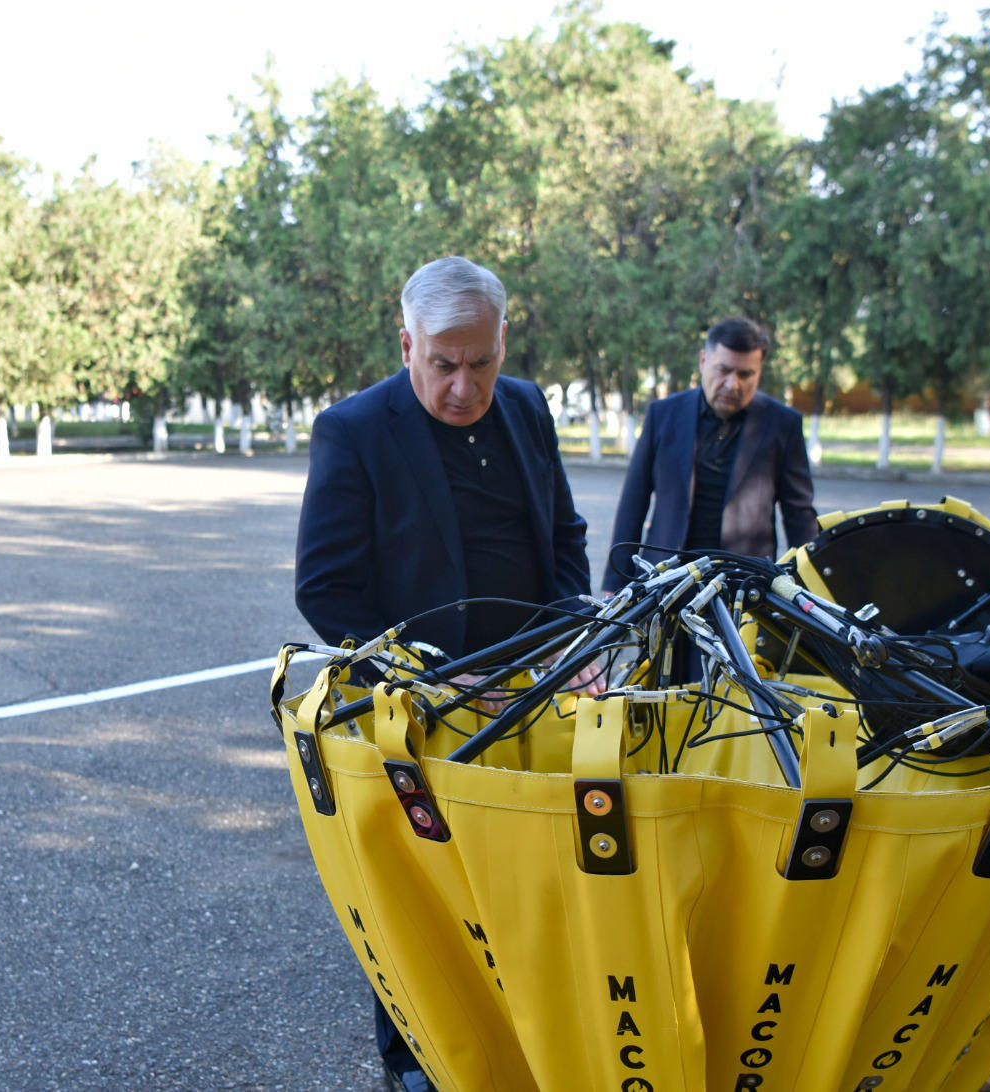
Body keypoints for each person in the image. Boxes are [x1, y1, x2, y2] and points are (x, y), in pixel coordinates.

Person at [293, 255, 592, 1092]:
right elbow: (324, 589)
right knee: (423, 898)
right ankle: (416, 1062)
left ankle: (520, 1044)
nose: (464, 387)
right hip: (422, 707)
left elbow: (563, 538)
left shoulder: (526, 405)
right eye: (442, 364)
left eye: (481, 362)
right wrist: (430, 679)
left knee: (530, 886)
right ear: (407, 345)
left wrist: (571, 638)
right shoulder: (354, 430)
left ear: (505, 340)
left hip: (534, 694)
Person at [603, 317, 818, 592]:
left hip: (744, 588)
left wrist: (812, 591)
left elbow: (799, 516)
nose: (732, 384)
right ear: (703, 360)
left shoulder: (783, 424)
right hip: (663, 582)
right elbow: (633, 503)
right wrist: (615, 583)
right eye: (724, 370)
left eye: (745, 374)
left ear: (759, 370)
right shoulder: (663, 415)